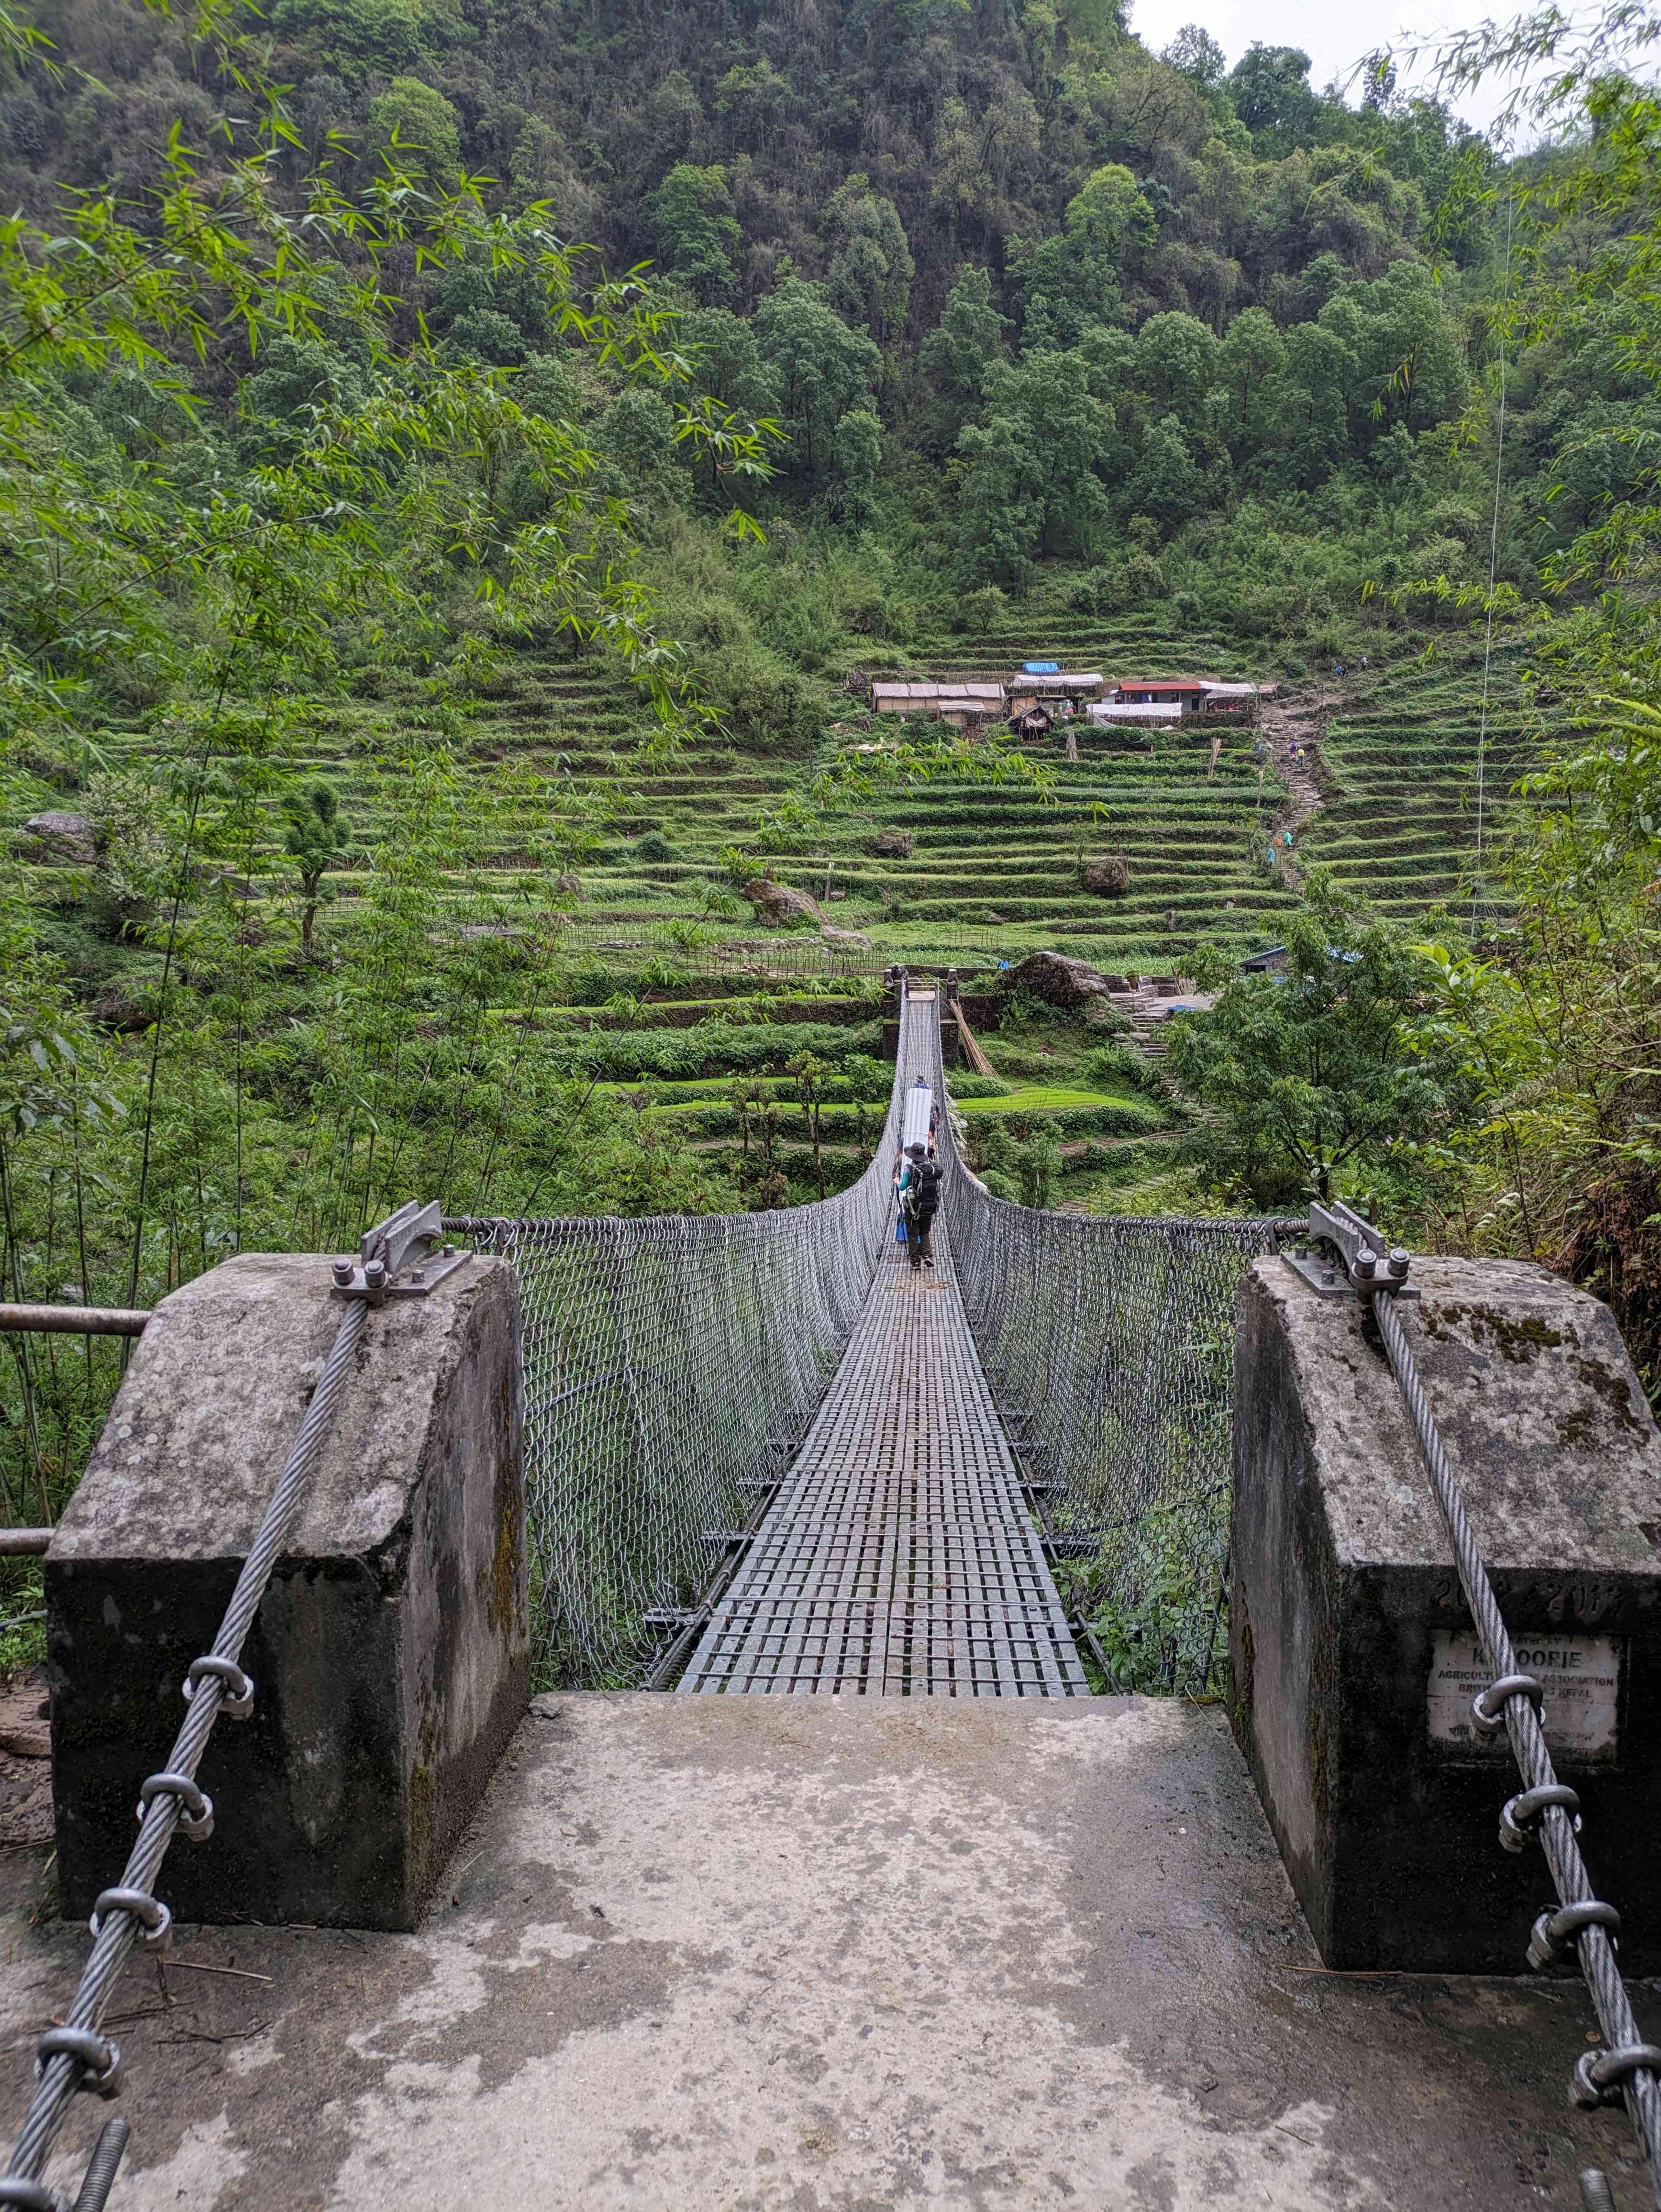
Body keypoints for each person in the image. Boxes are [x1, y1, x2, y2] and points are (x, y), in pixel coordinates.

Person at [897, 1141, 941, 1271]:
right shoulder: (930, 1169)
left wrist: (897, 1183)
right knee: (925, 1231)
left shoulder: (909, 1168)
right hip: (928, 1205)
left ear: (912, 1156)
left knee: (912, 1233)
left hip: (912, 1206)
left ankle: (915, 1262)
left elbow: (902, 1187)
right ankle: (927, 1255)